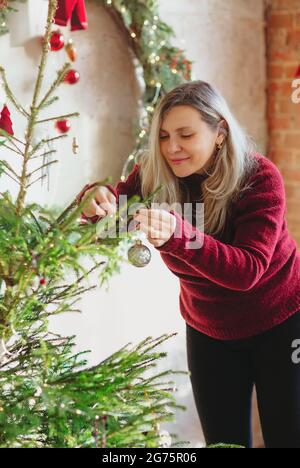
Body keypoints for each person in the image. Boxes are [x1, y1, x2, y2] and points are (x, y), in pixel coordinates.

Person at [78, 80, 300, 448]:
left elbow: (246, 271)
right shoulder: (155, 174)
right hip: (208, 327)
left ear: (219, 133)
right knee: (222, 442)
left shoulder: (260, 178)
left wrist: (180, 236)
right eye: (163, 136)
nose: (172, 148)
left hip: (281, 322)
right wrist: (92, 200)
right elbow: (113, 216)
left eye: (185, 134)